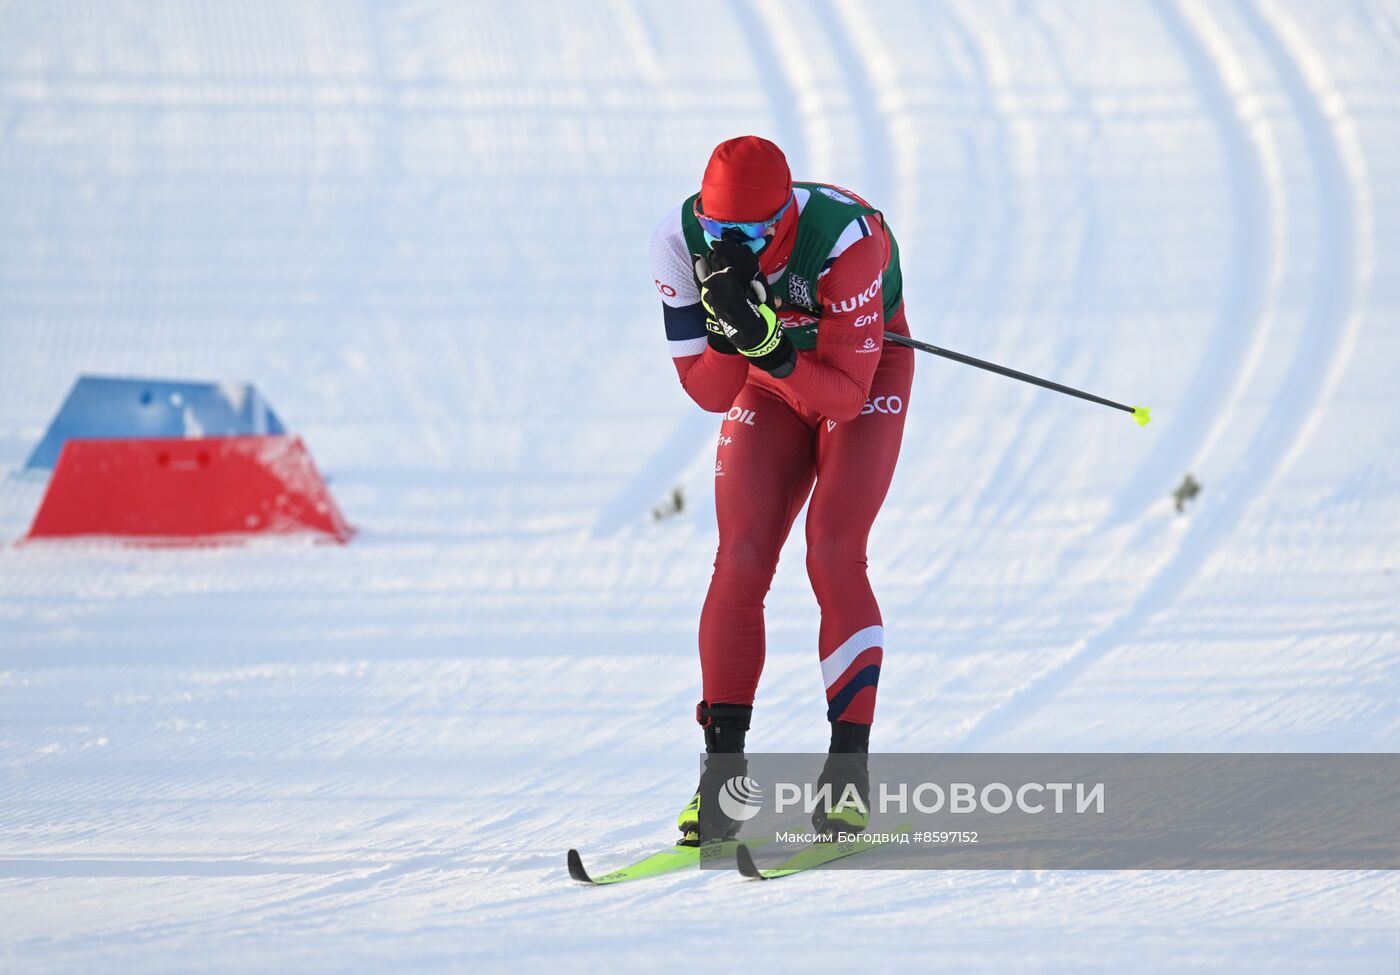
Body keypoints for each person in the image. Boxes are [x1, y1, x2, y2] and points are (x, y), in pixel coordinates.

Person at [649, 135, 915, 845]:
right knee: (739, 557)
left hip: (862, 371)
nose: (730, 244)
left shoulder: (843, 241)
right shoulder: (678, 238)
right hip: (770, 382)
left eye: (752, 234)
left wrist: (767, 342)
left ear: (785, 222)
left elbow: (846, 399)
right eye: (717, 230)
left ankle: (847, 777)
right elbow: (707, 393)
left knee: (832, 549)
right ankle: (722, 784)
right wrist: (734, 337)